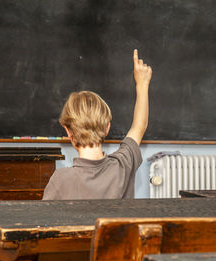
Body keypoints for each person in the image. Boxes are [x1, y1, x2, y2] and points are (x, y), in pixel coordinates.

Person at [42, 49, 152, 200]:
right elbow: (139, 126)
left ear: (68, 132)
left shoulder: (60, 180)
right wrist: (142, 84)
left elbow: (45, 222)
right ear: (107, 128)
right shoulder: (122, 165)